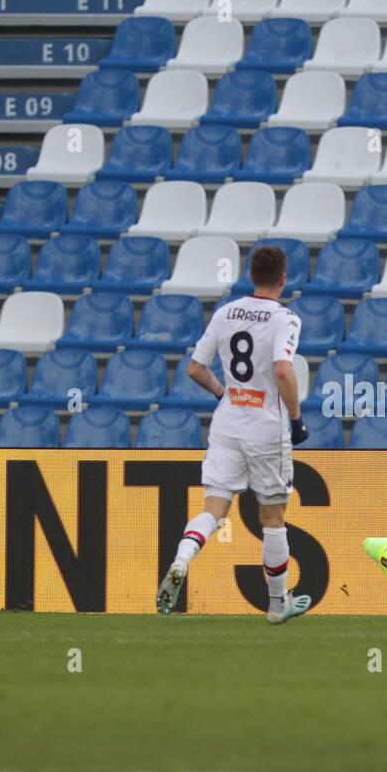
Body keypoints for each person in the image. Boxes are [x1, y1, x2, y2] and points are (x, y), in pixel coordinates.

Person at [156, 246, 312, 624]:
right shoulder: (285, 318)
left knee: (214, 508)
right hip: (265, 428)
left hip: (227, 423)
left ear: (250, 275)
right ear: (283, 278)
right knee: (272, 517)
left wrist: (224, 393)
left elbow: (195, 368)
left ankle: (181, 559)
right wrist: (295, 418)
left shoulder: (225, 313)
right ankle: (277, 605)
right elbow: (282, 370)